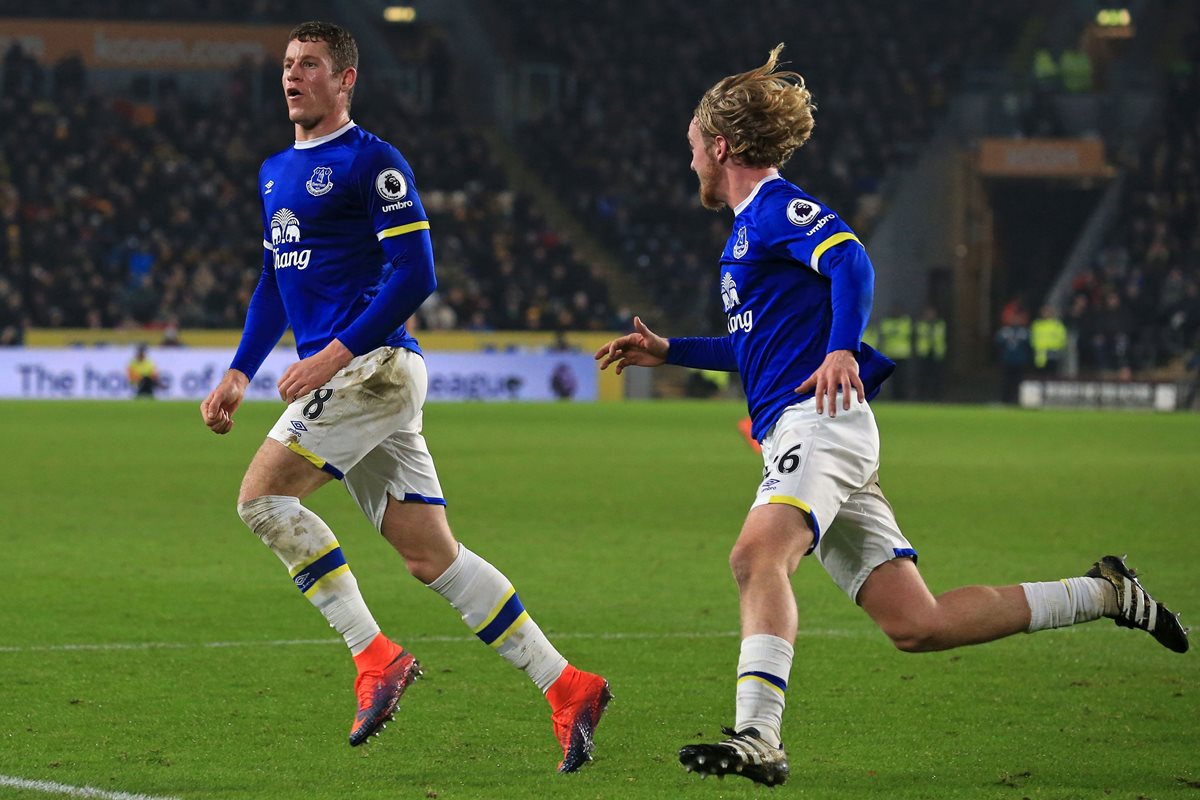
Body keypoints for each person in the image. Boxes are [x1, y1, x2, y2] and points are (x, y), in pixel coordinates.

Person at [595, 44, 1188, 788]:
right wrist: (671, 349)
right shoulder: (747, 233)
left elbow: (851, 260)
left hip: (822, 420)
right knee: (918, 624)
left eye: (692, 150)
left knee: (755, 556)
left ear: (719, 146)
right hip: (808, 425)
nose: (690, 166)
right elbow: (760, 346)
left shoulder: (779, 208)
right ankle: (1105, 592)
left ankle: (758, 734)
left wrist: (842, 349)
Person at [199, 21, 609, 772]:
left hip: (373, 368)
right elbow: (273, 282)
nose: (294, 76)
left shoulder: (372, 162)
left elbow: (417, 274)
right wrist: (238, 368)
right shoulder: (273, 173)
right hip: (358, 378)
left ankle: (375, 657)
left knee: (262, 499)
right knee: (432, 558)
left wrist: (334, 352)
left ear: (346, 79)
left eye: (311, 65)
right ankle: (568, 685)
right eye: (288, 64)